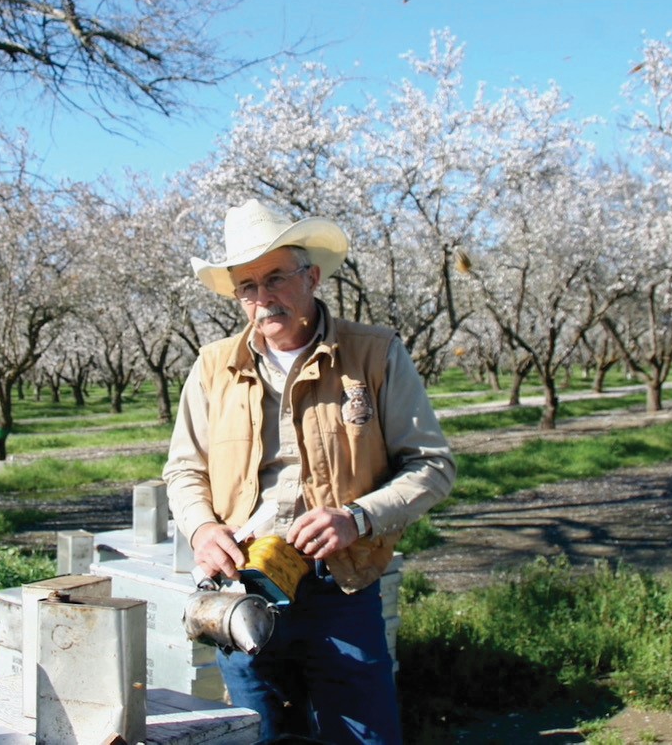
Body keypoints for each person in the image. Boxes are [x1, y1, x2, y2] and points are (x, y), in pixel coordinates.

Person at [163, 199, 457, 744]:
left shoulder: (374, 354)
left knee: (365, 734)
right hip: (242, 584)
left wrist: (358, 517)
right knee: (261, 731)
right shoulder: (212, 367)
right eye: (246, 287)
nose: (262, 298)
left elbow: (433, 466)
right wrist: (203, 529)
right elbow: (184, 471)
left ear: (312, 276)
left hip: (340, 582)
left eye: (275, 277)